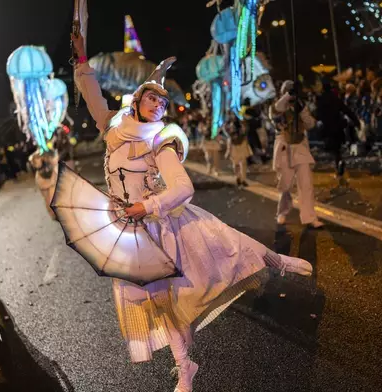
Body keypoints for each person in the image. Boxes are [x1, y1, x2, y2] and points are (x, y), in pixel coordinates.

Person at [72, 34, 312, 392]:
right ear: (137, 100)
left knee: (229, 247)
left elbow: (183, 188)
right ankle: (186, 365)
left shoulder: (159, 140)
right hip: (130, 235)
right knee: (162, 303)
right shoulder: (113, 128)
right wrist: (81, 60)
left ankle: (275, 260)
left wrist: (146, 205)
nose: (157, 105)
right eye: (152, 98)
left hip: (162, 225)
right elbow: (93, 96)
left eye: (162, 102)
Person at [270, 81, 324, 228]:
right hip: (284, 147)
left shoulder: (300, 106)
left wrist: (302, 110)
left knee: (306, 184)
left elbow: (310, 124)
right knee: (285, 185)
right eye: (287, 91)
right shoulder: (276, 107)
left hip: (300, 147)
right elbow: (277, 110)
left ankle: (309, 217)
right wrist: (288, 96)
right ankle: (282, 211)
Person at [29, 149, 59, 219]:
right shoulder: (38, 174)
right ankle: (54, 214)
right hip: (45, 182)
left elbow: (54, 162)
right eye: (37, 158)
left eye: (39, 157)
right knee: (48, 198)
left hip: (50, 180)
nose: (39, 159)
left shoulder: (46, 162)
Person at [224, 116, 252, 188]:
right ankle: (239, 178)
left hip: (240, 146)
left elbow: (245, 130)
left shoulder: (240, 126)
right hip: (235, 147)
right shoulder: (230, 127)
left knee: (242, 164)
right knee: (237, 164)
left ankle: (242, 179)